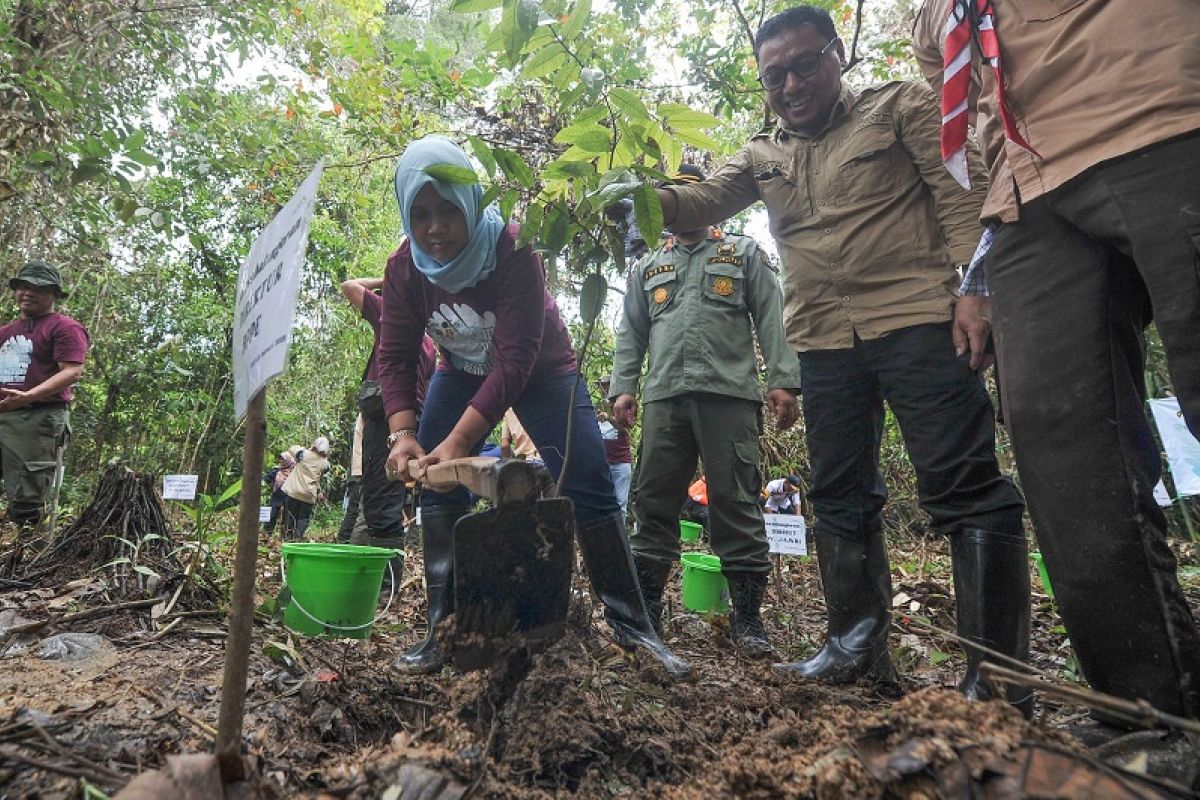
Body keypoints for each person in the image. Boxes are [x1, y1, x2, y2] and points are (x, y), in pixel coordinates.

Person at [653, 6, 1030, 711]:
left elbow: (959, 194)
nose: (791, 84)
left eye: (803, 64)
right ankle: (855, 646)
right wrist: (645, 202)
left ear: (836, 55)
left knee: (964, 486)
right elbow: (704, 198)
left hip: (917, 321)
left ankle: (999, 679)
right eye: (775, 76)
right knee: (838, 495)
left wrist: (976, 291)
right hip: (825, 343)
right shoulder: (763, 154)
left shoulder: (898, 107)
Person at [911, 0, 1200, 727]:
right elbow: (972, 111)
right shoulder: (934, 15)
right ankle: (1151, 714)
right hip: (1028, 199)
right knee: (1060, 443)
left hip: (1169, 120)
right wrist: (977, 274)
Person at [377, 134, 688, 678]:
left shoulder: (514, 249)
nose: (435, 228)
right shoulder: (405, 270)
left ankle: (635, 629)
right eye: (420, 213)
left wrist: (454, 446)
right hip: (460, 372)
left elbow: (516, 363)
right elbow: (396, 354)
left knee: (588, 476)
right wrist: (404, 434)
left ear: (471, 204)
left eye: (448, 210)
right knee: (436, 493)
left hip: (545, 373)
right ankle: (443, 630)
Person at [610, 165, 800, 657]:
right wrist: (622, 389)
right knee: (653, 502)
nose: (685, 205)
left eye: (694, 195)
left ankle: (748, 620)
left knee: (735, 502)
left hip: (730, 397)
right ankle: (647, 610)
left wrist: (782, 379)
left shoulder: (741, 252)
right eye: (675, 197)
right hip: (665, 398)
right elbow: (631, 333)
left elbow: (770, 314)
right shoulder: (648, 265)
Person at [340, 276, 437, 554]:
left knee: (380, 502)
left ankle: (384, 586)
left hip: (387, 416)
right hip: (410, 420)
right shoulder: (430, 342)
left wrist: (388, 280)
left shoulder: (389, 314)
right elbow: (429, 391)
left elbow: (350, 286)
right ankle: (384, 579)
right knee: (390, 497)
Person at [0, 262, 88, 528]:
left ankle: (26, 555)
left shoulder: (64, 327)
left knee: (28, 491)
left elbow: (72, 372)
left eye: (37, 288)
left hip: (37, 416)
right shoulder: (6, 332)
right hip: (5, 412)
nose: (28, 293)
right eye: (23, 287)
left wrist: (28, 396)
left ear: (53, 294)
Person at [594, 375, 632, 518]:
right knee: (601, 501)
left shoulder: (624, 407)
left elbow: (625, 431)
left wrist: (609, 419)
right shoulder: (597, 405)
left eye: (606, 385)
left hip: (621, 463)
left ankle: (620, 537)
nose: (603, 389)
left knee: (620, 503)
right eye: (601, 386)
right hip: (603, 462)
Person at [280, 436, 331, 539]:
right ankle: (297, 538)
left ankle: (286, 537)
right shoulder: (325, 464)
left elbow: (292, 448)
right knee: (303, 518)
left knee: (289, 516)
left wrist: (304, 449)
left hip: (293, 491)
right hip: (308, 495)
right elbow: (321, 474)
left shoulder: (303, 454)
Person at [263, 450, 296, 535]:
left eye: (283, 459)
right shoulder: (276, 470)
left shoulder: (294, 471)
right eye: (280, 459)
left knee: (287, 517)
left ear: (288, 460)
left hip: (289, 497)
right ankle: (266, 534)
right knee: (271, 514)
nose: (281, 461)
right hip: (277, 496)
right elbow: (266, 478)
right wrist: (272, 485)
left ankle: (285, 536)